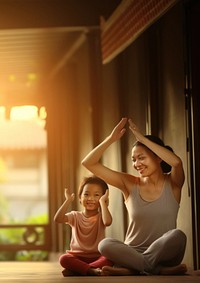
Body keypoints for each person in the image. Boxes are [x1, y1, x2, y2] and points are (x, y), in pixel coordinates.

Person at [81, 117, 187, 276]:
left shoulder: (173, 183)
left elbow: (177, 163)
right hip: (131, 253)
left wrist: (142, 139)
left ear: (158, 157)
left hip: (164, 254)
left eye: (141, 157)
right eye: (133, 159)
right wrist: (111, 139)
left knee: (178, 236)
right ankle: (154, 269)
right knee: (105, 244)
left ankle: (136, 268)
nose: (137, 164)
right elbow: (88, 163)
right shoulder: (129, 183)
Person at [54, 175, 113, 276]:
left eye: (96, 195)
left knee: (109, 258)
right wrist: (67, 200)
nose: (90, 198)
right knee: (63, 259)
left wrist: (103, 203)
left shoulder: (102, 217)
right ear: (80, 198)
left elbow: (107, 222)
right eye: (86, 194)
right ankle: (90, 270)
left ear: (103, 198)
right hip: (77, 257)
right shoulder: (75, 216)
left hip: (97, 257)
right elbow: (58, 219)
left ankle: (79, 270)